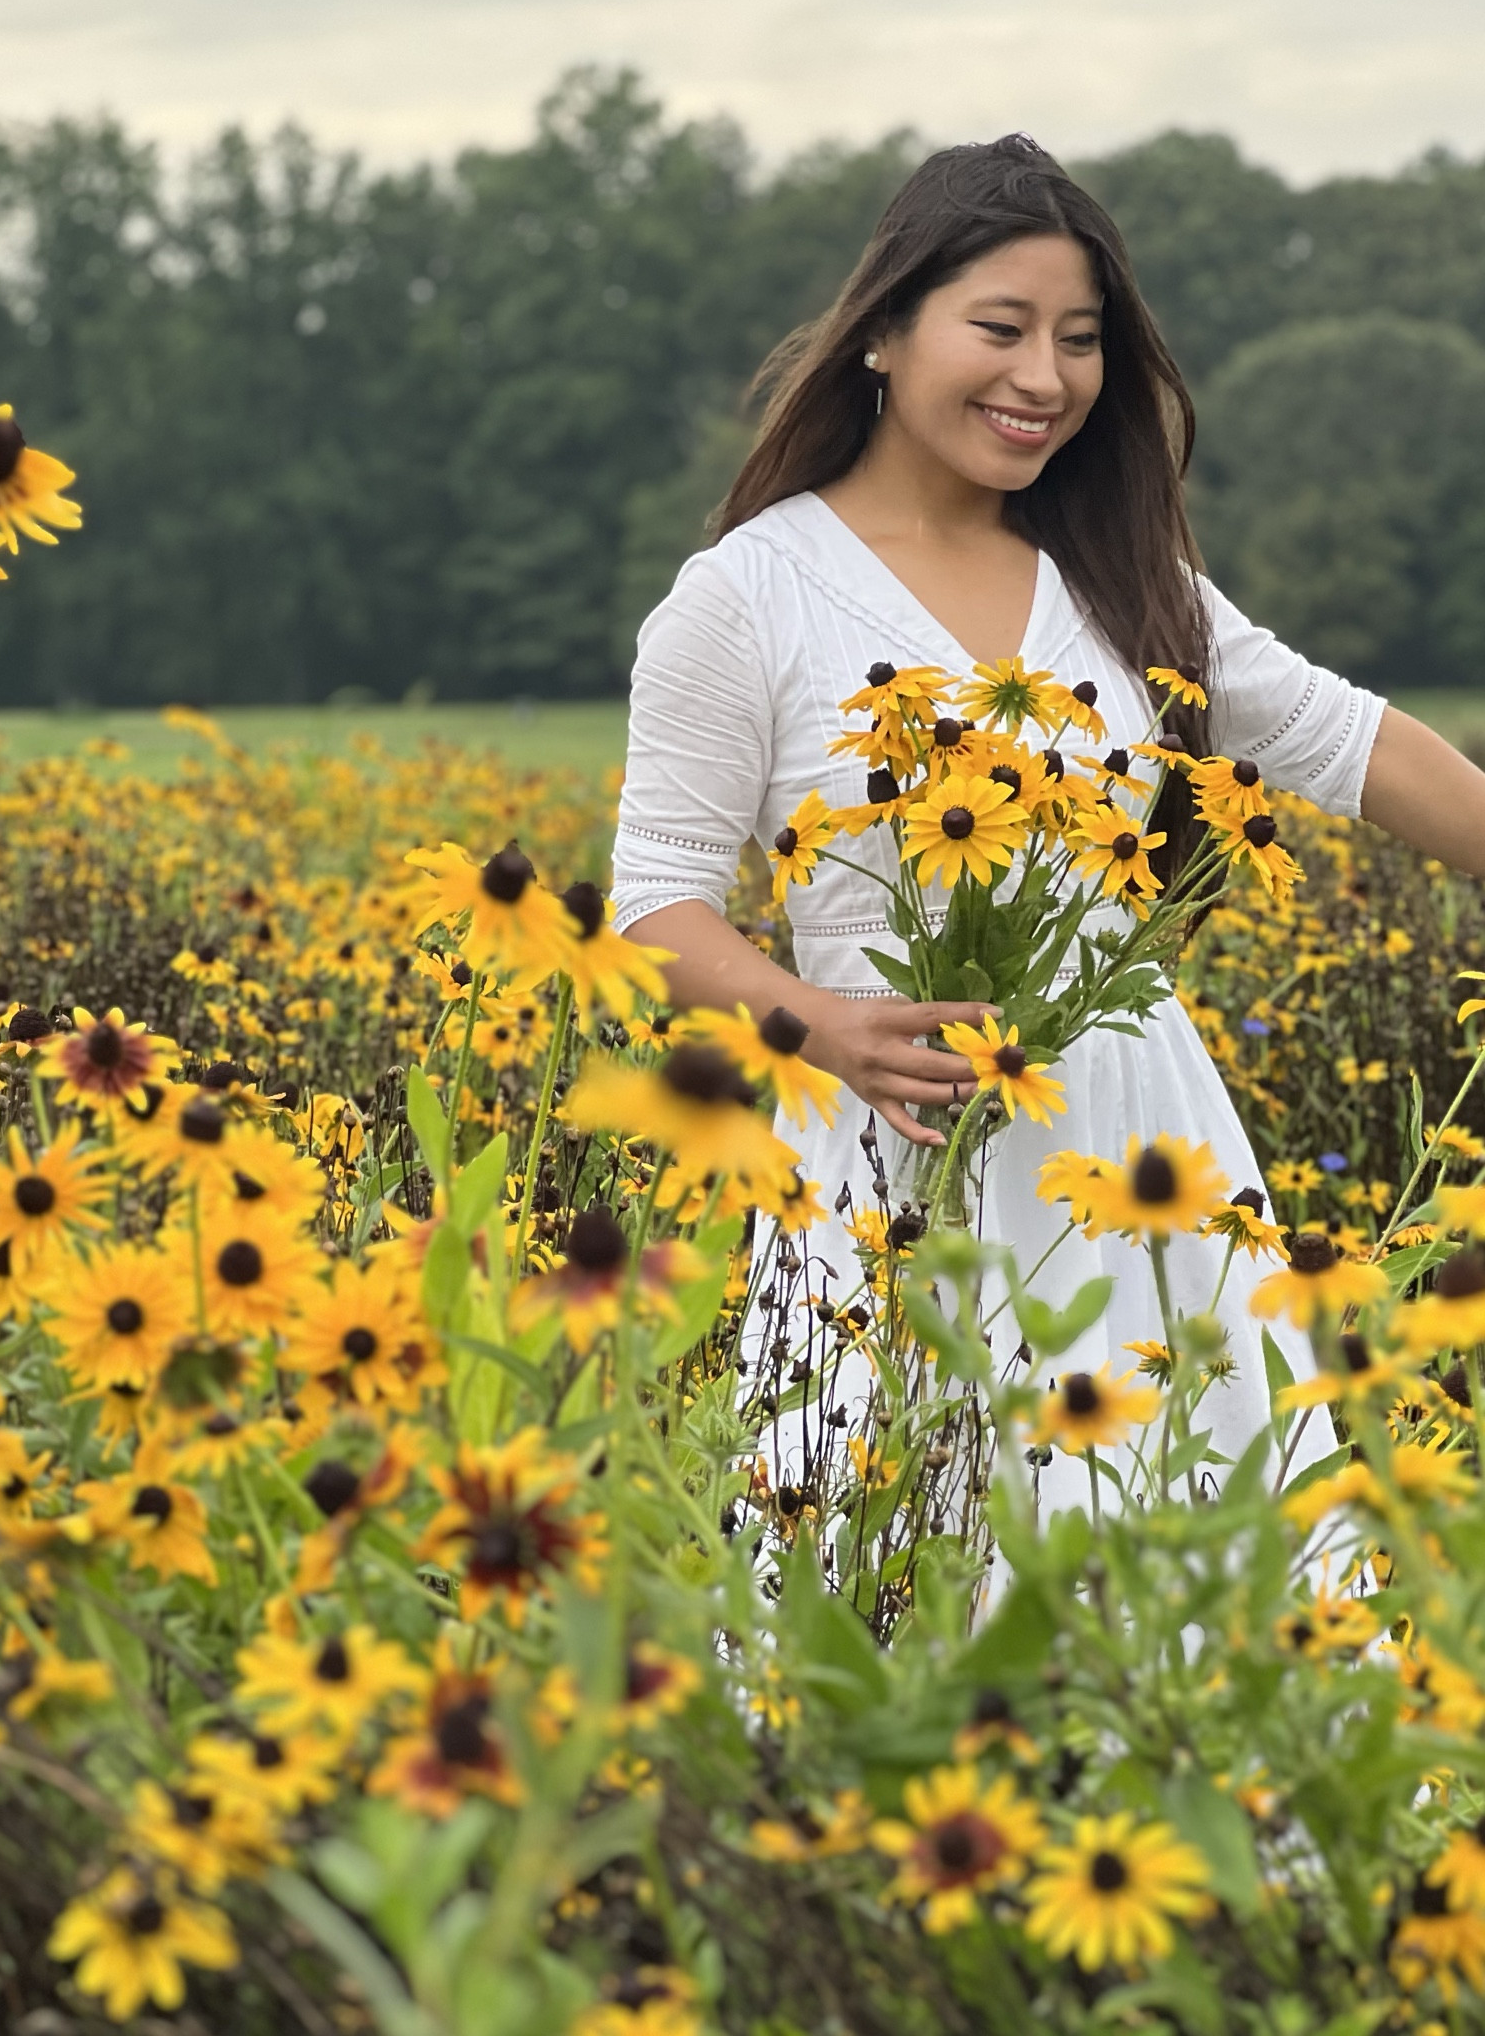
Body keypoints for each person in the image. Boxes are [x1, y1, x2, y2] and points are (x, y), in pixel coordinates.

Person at [607, 133, 1485, 1508]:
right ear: (884, 335)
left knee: (1187, 1562)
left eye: (1080, 341)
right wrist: (819, 1024)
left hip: (1136, 1141)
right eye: (1001, 328)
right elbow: (653, 900)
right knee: (892, 1571)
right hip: (884, 1148)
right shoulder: (749, 593)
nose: (1046, 379)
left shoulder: (1121, 576)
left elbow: (1343, 737)